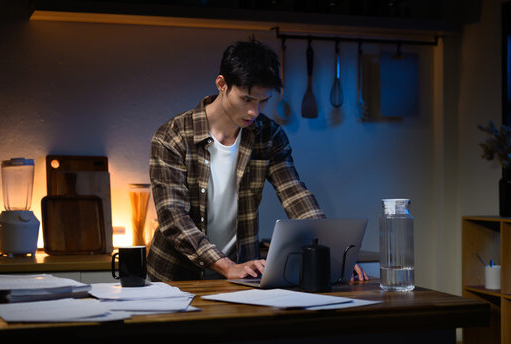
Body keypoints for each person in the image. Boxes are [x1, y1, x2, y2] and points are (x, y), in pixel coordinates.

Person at [146, 38, 367, 282]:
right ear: (222, 84)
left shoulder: (269, 135)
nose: (254, 112)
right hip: (176, 277)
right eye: (247, 99)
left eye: (263, 101)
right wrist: (225, 265)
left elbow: (295, 195)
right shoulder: (171, 136)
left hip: (242, 274)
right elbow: (173, 217)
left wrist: (333, 254)